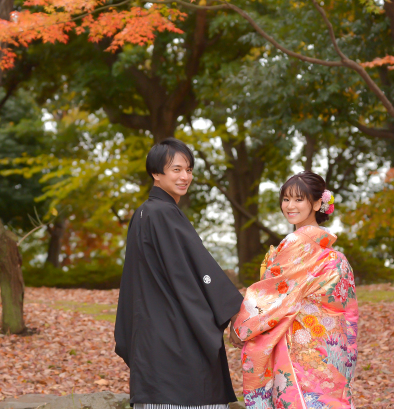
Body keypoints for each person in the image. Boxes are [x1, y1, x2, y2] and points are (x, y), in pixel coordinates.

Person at [115, 138, 244, 409]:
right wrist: (233, 310)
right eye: (176, 169)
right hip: (175, 337)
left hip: (152, 337)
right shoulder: (162, 213)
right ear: (156, 173)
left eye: (189, 169)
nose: (185, 176)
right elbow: (197, 269)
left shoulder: (144, 212)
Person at [230, 171, 358, 409]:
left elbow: (273, 295)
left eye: (299, 199)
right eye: (286, 199)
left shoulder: (297, 244)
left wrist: (241, 325)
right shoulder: (331, 253)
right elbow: (347, 314)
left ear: (318, 203)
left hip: (300, 349)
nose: (290, 205)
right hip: (329, 351)